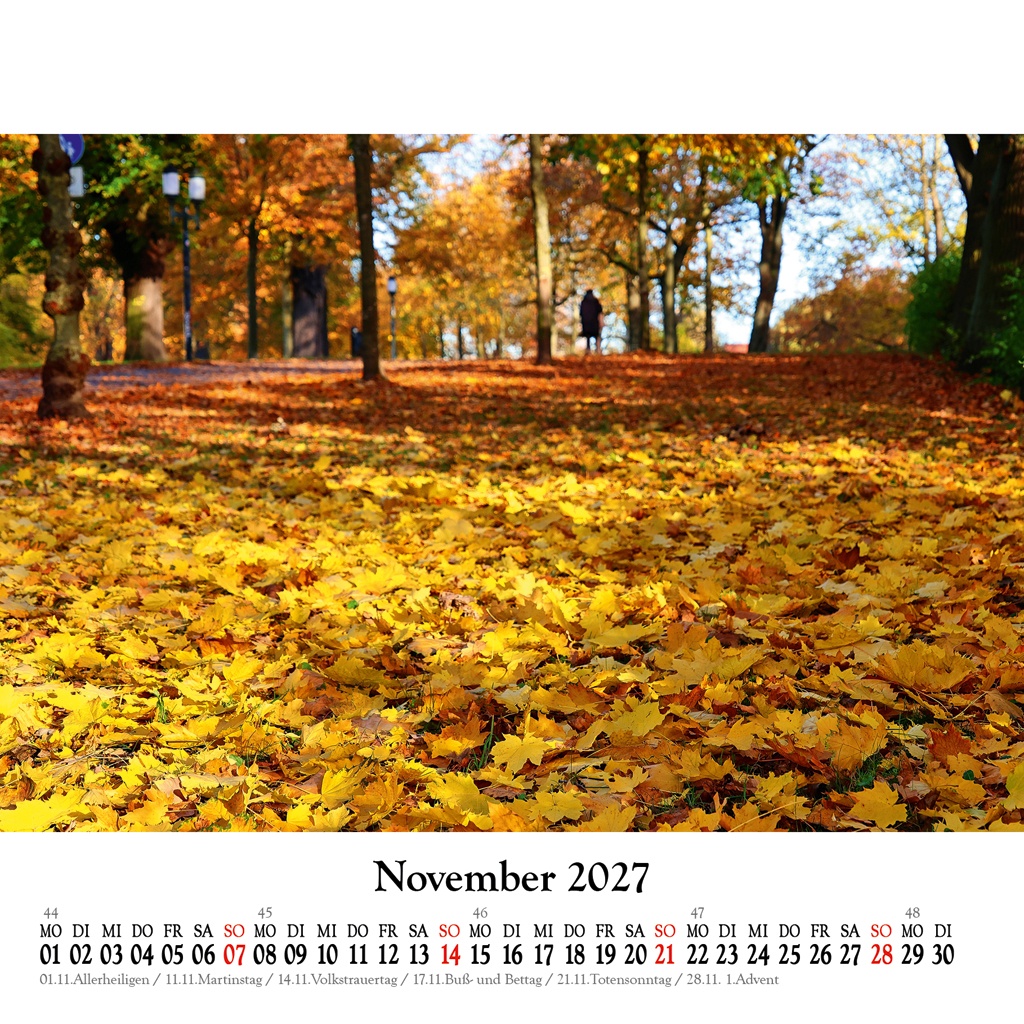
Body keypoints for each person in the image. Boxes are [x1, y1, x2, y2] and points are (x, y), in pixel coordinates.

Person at [580, 289, 603, 354]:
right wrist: (601, 322)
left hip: (586, 323)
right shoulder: (596, 301)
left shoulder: (583, 302)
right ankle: (598, 350)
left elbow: (581, 314)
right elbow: (600, 312)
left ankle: (588, 350)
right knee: (597, 336)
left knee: (588, 337)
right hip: (595, 322)